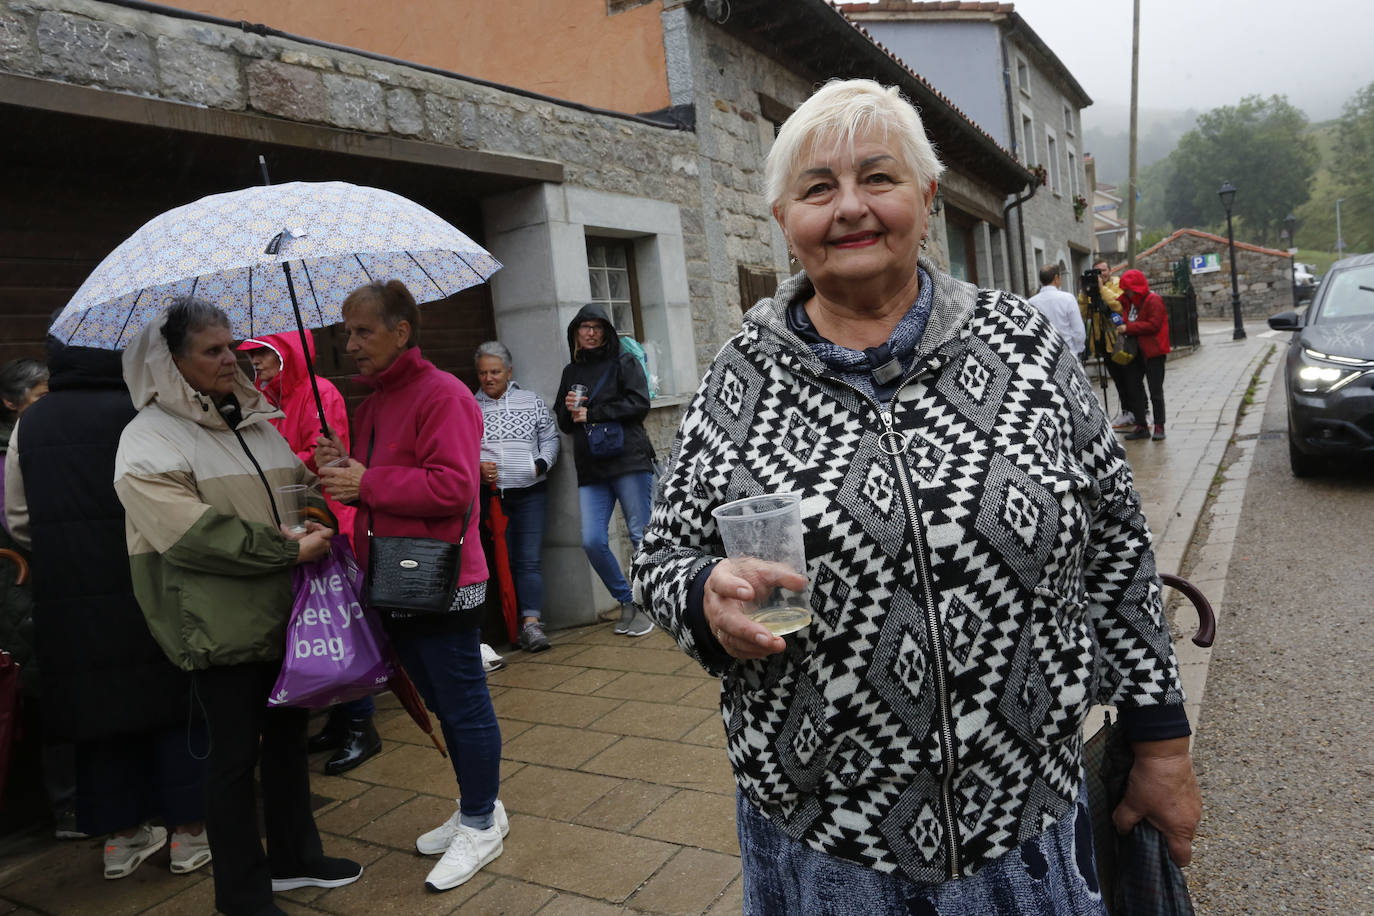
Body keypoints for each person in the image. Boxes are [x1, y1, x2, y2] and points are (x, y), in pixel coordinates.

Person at [633, 79, 1200, 914]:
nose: (850, 208)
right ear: (785, 219)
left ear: (927, 197)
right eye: (818, 189)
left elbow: (1116, 546)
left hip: (1026, 825)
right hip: (829, 843)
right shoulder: (736, 377)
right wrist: (702, 598)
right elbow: (662, 557)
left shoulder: (1024, 347)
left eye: (878, 178)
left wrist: (1160, 741)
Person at [113, 298, 360, 916]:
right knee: (232, 761)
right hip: (216, 623)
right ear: (172, 363)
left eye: (231, 345)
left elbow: (289, 494)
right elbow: (193, 535)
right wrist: (288, 553)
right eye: (213, 350)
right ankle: (242, 896)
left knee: (285, 743)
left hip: (281, 613)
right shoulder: (146, 441)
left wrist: (319, 486)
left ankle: (295, 857)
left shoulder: (253, 420)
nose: (231, 359)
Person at [315, 280, 506, 893]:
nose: (351, 343)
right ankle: (481, 805)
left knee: (462, 703)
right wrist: (342, 463)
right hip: (395, 576)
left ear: (401, 332)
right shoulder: (371, 403)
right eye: (346, 332)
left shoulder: (443, 395)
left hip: (442, 579)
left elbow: (453, 490)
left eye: (363, 330)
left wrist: (367, 483)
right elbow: (384, 479)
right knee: (435, 698)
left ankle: (481, 821)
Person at [5, 339, 208, 880]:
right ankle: (189, 835)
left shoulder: (33, 422)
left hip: (70, 593)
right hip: (153, 582)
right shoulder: (147, 410)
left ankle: (121, 840)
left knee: (99, 711)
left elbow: (18, 517)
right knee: (174, 701)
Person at [237, 332, 378, 775]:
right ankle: (342, 721)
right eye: (252, 355)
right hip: (295, 521)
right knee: (324, 623)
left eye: (263, 353)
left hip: (328, 518)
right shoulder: (262, 396)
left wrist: (266, 462)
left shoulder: (322, 394)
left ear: (288, 355)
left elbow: (322, 459)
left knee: (342, 625)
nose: (255, 362)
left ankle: (361, 727)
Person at [554, 305, 656, 637]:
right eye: (584, 327)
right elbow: (565, 423)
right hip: (592, 467)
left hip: (629, 459)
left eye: (597, 327)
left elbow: (640, 404)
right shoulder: (571, 372)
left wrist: (594, 413)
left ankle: (647, 605)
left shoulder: (624, 362)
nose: (591, 332)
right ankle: (626, 599)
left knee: (641, 535)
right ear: (576, 332)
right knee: (592, 540)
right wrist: (571, 412)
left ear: (606, 332)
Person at [474, 341, 560, 652]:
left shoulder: (531, 401)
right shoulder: (470, 406)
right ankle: (506, 628)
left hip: (530, 494)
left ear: (509, 372)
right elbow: (463, 449)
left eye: (495, 371)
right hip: (492, 497)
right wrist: (477, 468)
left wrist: (539, 465)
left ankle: (531, 625)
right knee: (498, 562)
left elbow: (550, 438)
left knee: (528, 560)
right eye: (483, 372)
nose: (489, 378)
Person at [1078, 259, 1135, 429]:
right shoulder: (1091, 291)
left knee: (1131, 379)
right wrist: (1084, 293)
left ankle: (1141, 412)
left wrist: (1102, 289)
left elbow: (1119, 305)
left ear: (1110, 270)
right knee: (1118, 380)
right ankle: (1126, 413)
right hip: (1103, 342)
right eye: (1097, 271)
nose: (1101, 274)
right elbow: (1083, 313)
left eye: (1103, 270)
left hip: (1120, 341)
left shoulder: (1119, 284)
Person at [1117, 269, 1171, 442]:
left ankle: (1159, 425)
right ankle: (1141, 425)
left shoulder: (1154, 300)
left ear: (1137, 287)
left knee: (1155, 391)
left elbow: (1154, 325)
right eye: (1125, 289)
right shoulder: (1128, 301)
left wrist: (1128, 328)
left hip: (1153, 352)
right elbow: (1131, 321)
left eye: (1129, 289)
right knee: (1134, 389)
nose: (1126, 292)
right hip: (1134, 351)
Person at [1028, 263, 1086, 357]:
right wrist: (1079, 349)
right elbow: (1078, 330)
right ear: (1056, 278)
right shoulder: (1068, 298)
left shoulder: (1031, 302)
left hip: (1043, 354)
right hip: (1067, 351)